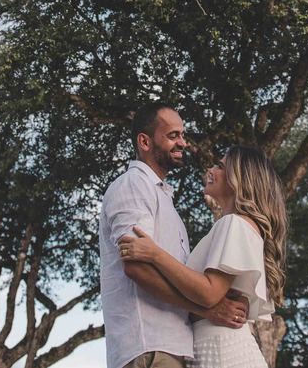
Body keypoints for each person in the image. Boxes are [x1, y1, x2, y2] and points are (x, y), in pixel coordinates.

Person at [99, 103, 251, 368]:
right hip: (149, 345)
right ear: (145, 142)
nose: (183, 142)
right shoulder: (134, 185)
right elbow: (137, 268)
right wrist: (208, 309)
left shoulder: (163, 198)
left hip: (170, 347)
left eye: (182, 134)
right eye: (172, 135)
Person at [120, 146, 288, 368]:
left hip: (222, 350)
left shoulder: (234, 223)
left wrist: (155, 254)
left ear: (239, 179)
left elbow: (209, 293)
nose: (210, 170)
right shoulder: (235, 225)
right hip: (217, 345)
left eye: (220, 166)